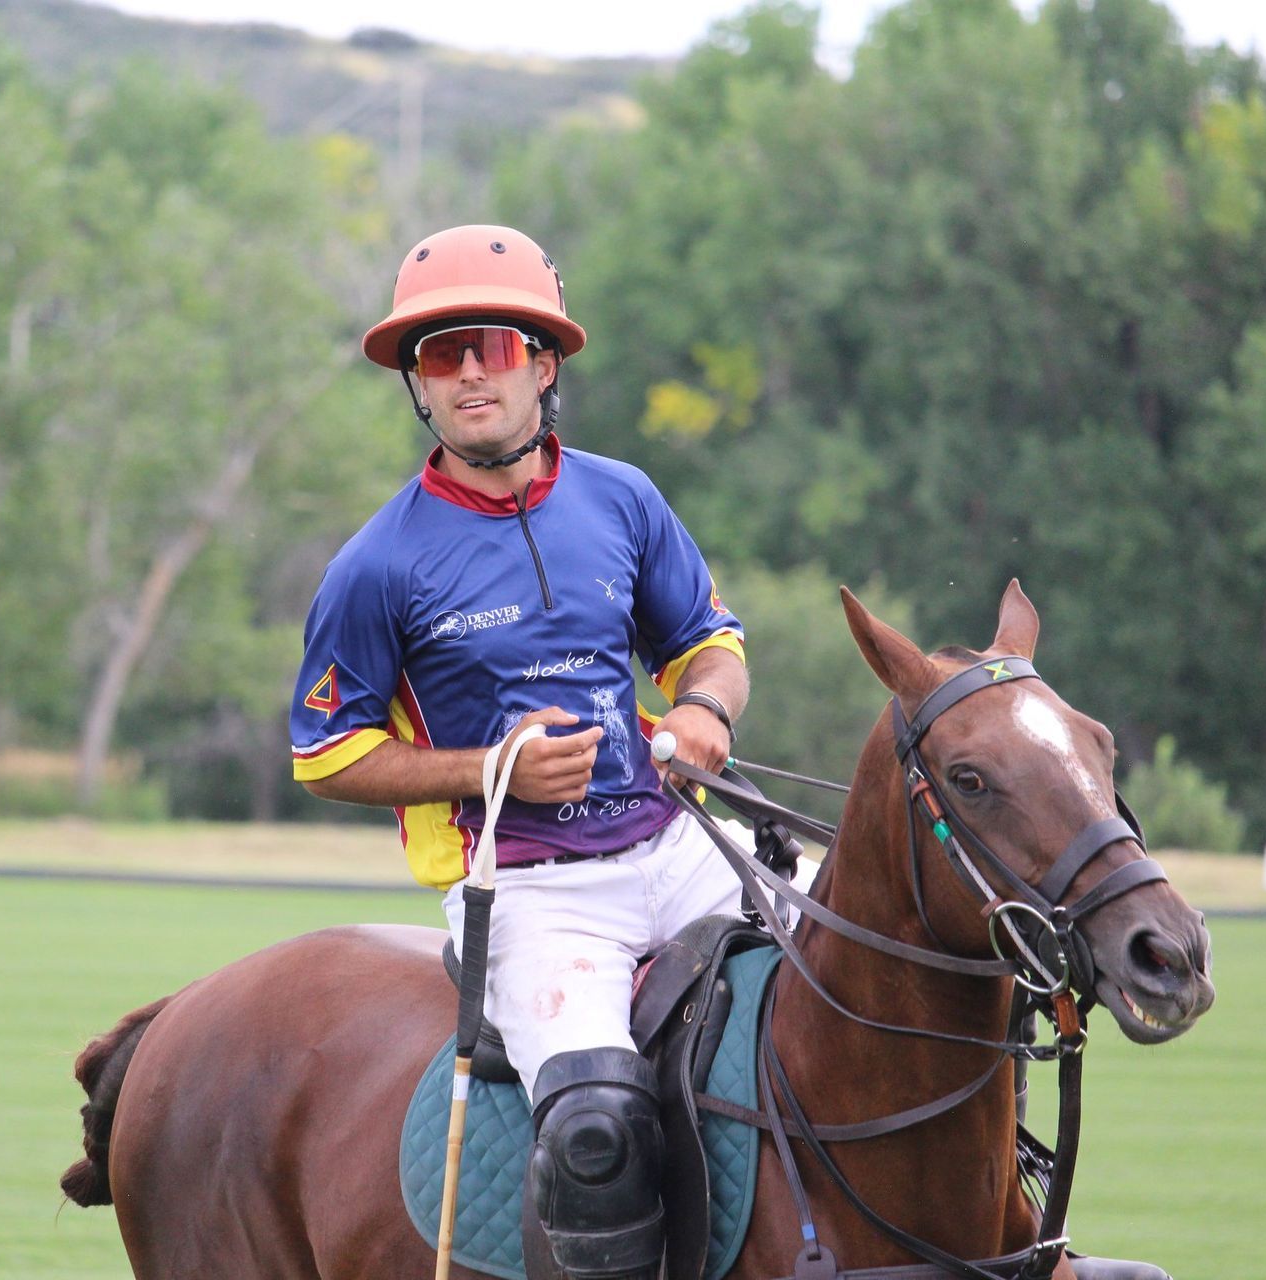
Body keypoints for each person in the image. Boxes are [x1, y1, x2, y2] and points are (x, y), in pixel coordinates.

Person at [290, 224, 748, 1280]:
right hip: (530, 891)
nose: (464, 372)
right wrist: (488, 770)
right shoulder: (378, 563)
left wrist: (706, 716)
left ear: (543, 362)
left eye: (488, 345)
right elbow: (325, 753)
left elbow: (708, 644)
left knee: (883, 964)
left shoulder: (625, 498)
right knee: (597, 1128)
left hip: (679, 843)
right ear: (419, 385)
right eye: (437, 354)